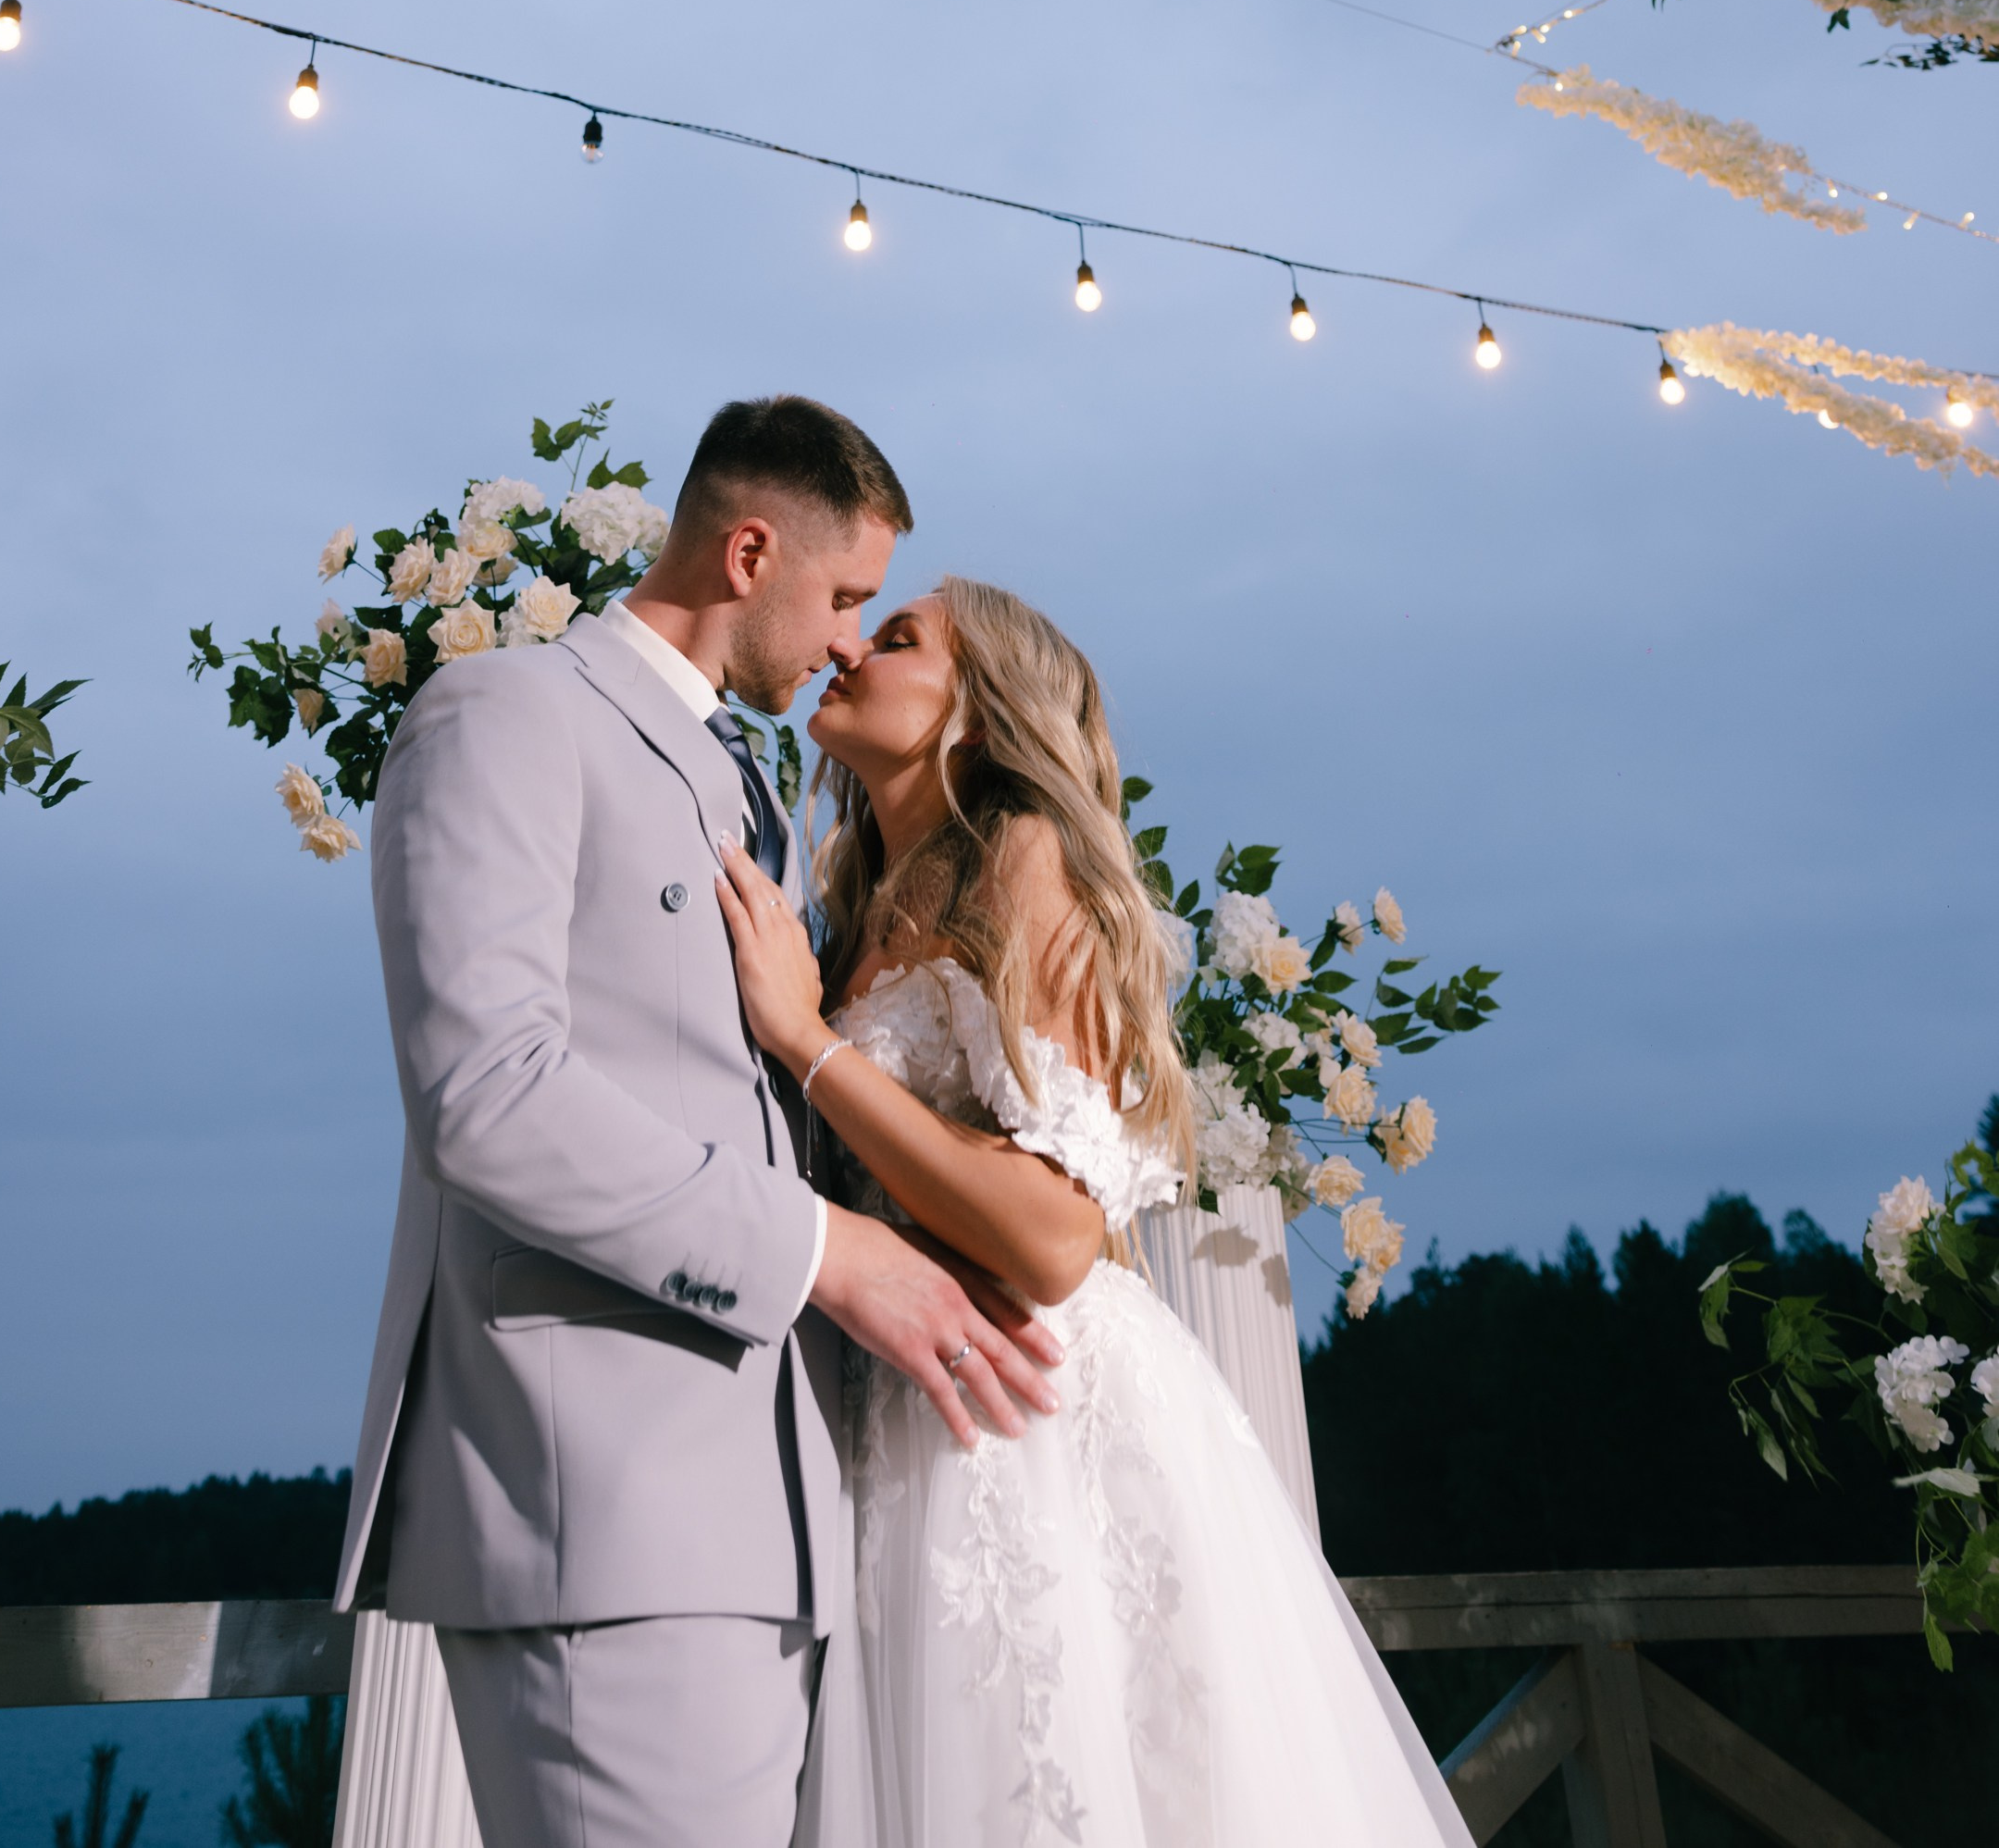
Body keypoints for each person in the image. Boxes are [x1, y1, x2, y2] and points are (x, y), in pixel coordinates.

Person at [331, 399, 1062, 1848]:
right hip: (598, 1510)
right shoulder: (508, 714)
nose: (848, 638)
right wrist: (834, 1253)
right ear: (748, 552)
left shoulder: (760, 797)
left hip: (778, 1513)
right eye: (845, 595)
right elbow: (486, 1099)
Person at [716, 576, 1475, 1848]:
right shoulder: (844, 917)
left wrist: (801, 1041)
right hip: (892, 1407)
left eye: (897, 639)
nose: (849, 644)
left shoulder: (1023, 860)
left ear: (975, 714)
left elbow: (1056, 1238)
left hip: (1029, 1420)